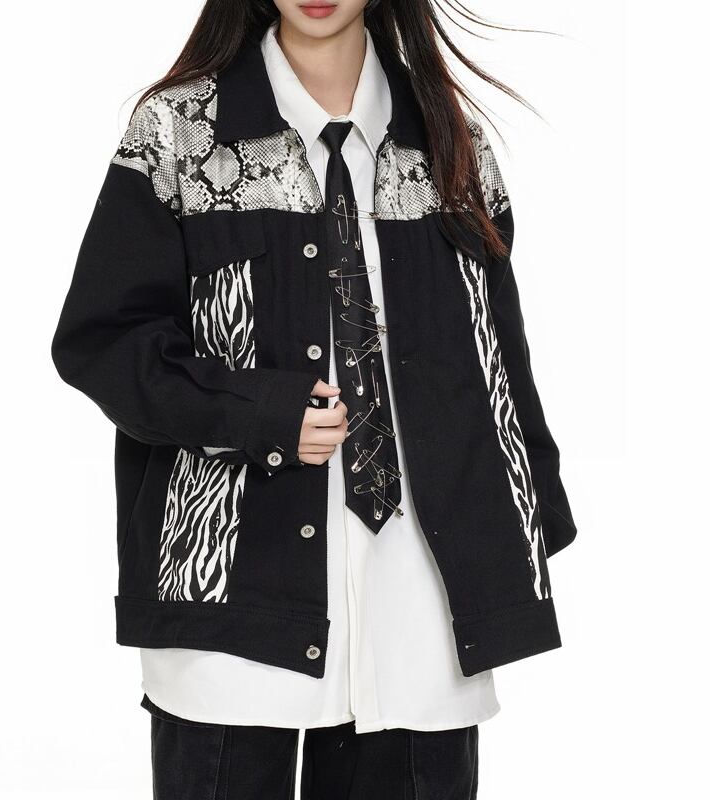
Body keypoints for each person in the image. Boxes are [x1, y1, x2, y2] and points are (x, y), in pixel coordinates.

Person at [51, 0, 577, 797]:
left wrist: (526, 530)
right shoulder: (178, 134)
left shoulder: (453, 142)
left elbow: (498, 357)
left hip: (424, 611)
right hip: (232, 600)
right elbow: (104, 341)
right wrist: (259, 414)